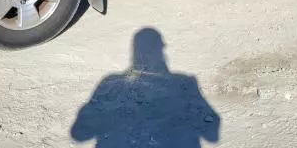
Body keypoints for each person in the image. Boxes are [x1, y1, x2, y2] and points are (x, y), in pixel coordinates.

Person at [71, 28, 220, 147]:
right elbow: (212, 134)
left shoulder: (110, 83)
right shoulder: (184, 83)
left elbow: (79, 133)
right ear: (161, 51)